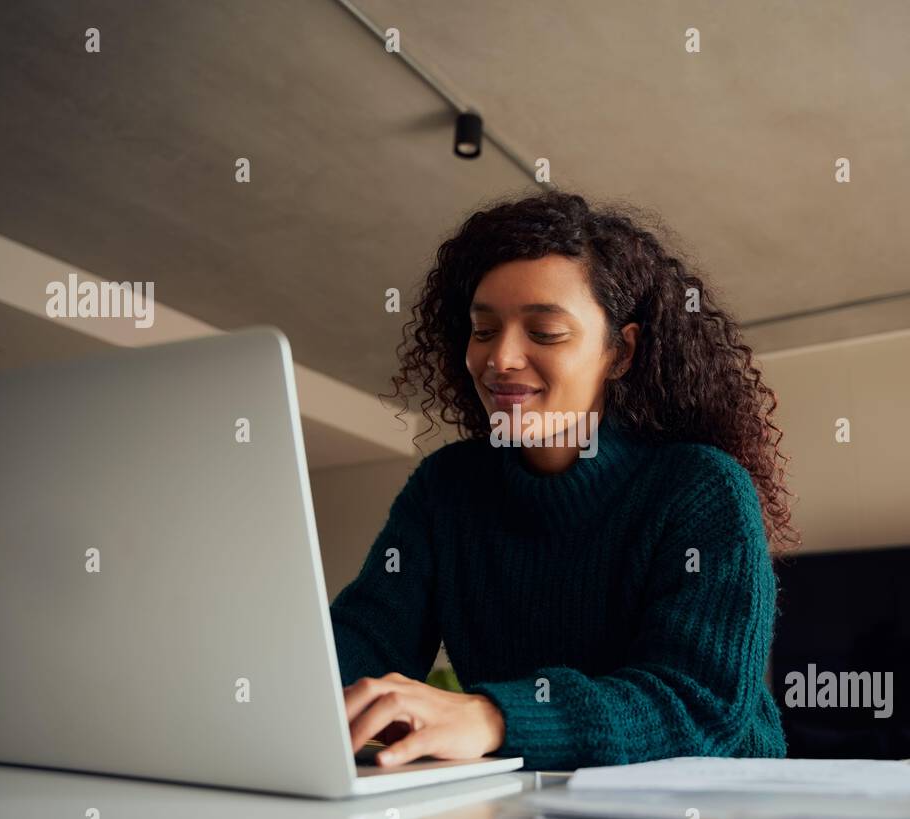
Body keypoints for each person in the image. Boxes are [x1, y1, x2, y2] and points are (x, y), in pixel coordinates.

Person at [331, 191, 799, 771]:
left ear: (621, 352)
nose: (500, 358)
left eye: (545, 332)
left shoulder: (700, 488)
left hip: (715, 817)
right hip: (536, 805)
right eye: (482, 330)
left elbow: (696, 705)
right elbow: (366, 640)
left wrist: (494, 717)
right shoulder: (445, 488)